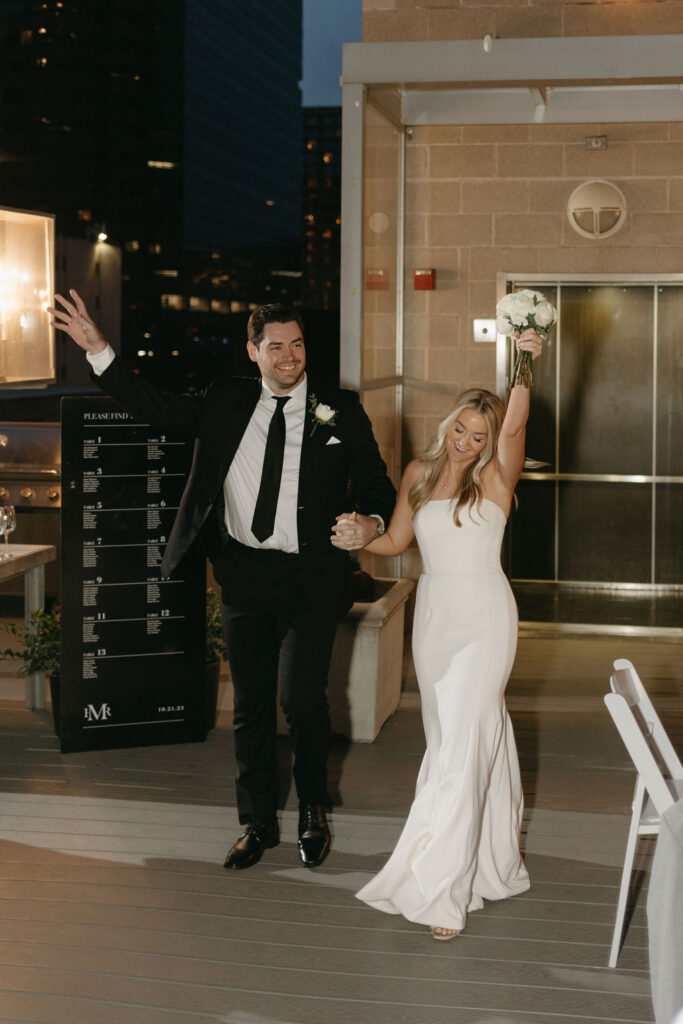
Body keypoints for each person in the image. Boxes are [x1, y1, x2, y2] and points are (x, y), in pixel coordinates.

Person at [49, 290, 396, 870]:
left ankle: (313, 808)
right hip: (243, 576)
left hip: (311, 579)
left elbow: (378, 485)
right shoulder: (226, 401)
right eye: (276, 347)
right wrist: (100, 351)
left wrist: (371, 521)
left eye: (298, 345)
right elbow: (156, 407)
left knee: (302, 700)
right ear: (253, 351)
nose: (290, 358)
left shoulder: (341, 409)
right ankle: (257, 821)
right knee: (252, 706)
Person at [331, 328, 542, 939]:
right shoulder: (420, 474)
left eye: (481, 435)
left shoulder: (499, 478)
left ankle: (445, 886)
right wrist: (360, 537)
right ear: (448, 423)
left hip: (485, 620)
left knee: (462, 746)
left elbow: (516, 425)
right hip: (435, 621)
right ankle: (492, 863)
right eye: (462, 430)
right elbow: (396, 543)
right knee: (458, 738)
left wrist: (525, 362)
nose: (469, 442)